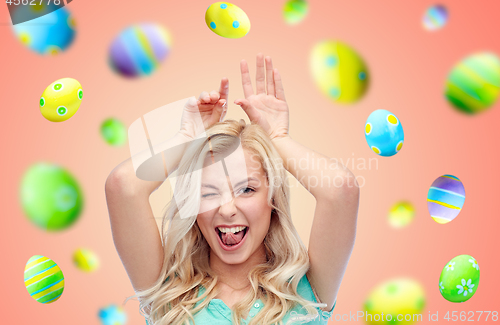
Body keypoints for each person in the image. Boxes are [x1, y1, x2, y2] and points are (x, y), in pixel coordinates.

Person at [105, 54, 360, 325]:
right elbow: (123, 186)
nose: (227, 209)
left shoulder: (306, 291)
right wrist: (186, 138)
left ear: (272, 198)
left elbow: (340, 189)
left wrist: (277, 138)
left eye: (247, 189)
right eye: (208, 192)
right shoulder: (168, 295)